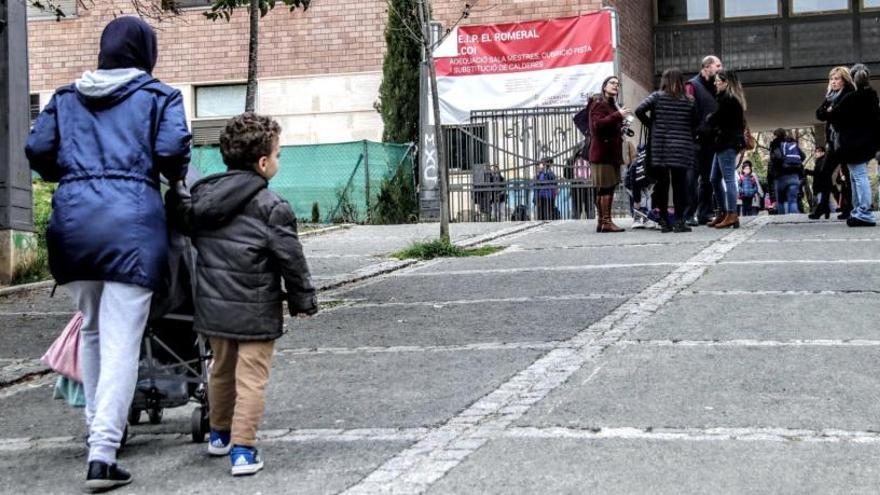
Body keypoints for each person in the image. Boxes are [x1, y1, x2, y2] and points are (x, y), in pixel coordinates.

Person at [24, 17, 191, 492]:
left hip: (74, 227)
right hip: (131, 225)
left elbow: (38, 149)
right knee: (121, 341)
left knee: (93, 332)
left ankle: (99, 435)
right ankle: (102, 452)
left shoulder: (65, 97)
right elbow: (173, 150)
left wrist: (74, 174)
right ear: (145, 52)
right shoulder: (159, 96)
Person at [173, 112, 319, 476]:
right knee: (251, 378)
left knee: (220, 371)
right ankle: (243, 450)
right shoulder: (272, 207)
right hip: (256, 311)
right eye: (279, 155)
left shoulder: (202, 197)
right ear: (263, 162)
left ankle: (220, 435)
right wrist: (303, 300)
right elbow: (291, 261)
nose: (279, 161)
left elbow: (184, 224)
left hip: (213, 309)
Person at [635, 68, 698, 233]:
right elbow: (695, 122)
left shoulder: (657, 97)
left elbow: (639, 110)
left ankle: (663, 221)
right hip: (682, 148)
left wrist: (651, 125)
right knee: (680, 186)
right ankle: (679, 221)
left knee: (662, 184)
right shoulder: (689, 100)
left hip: (660, 147)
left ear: (664, 80)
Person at [820, 63, 880, 227]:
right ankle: (858, 211)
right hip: (867, 144)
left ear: (852, 79)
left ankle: (864, 213)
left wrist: (831, 108)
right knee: (856, 177)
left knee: (859, 177)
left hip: (852, 144)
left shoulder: (850, 98)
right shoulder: (872, 95)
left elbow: (832, 117)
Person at [685, 55, 724, 225]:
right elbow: (687, 112)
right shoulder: (692, 85)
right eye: (718, 65)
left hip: (711, 141)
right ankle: (688, 214)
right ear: (707, 67)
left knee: (708, 179)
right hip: (695, 140)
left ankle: (705, 213)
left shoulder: (717, 87)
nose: (720, 69)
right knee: (691, 179)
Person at [706, 69, 747, 229]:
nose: (715, 83)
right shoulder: (728, 99)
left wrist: (709, 119)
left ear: (726, 82)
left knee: (728, 179)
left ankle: (732, 213)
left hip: (727, 144)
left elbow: (717, 119)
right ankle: (723, 212)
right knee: (714, 178)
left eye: (718, 80)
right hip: (723, 143)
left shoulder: (729, 100)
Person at [589, 75, 630, 232]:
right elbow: (596, 126)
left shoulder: (613, 105)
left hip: (610, 153)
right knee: (605, 187)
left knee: (607, 187)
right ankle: (606, 222)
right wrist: (617, 116)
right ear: (604, 86)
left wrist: (622, 124)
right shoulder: (598, 104)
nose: (615, 86)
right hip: (602, 153)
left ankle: (602, 221)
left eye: (618, 84)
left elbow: (610, 125)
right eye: (612, 83)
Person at [816, 66, 856, 221]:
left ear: (844, 81)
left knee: (846, 176)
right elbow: (819, 114)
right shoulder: (830, 96)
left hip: (846, 141)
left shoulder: (849, 94)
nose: (833, 81)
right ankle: (823, 206)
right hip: (833, 142)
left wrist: (831, 112)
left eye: (837, 78)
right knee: (824, 172)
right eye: (831, 79)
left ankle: (849, 208)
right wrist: (830, 110)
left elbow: (838, 116)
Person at [768, 130, 805, 215]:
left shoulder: (775, 144)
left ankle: (782, 222)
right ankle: (793, 221)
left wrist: (781, 164)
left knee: (780, 201)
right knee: (793, 201)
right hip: (794, 176)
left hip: (780, 177)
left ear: (776, 135)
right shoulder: (792, 144)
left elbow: (776, 158)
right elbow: (803, 156)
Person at [806, 145, 833, 219]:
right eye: (816, 151)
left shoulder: (823, 161)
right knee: (824, 200)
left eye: (819, 151)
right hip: (823, 183)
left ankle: (818, 213)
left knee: (823, 200)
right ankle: (826, 212)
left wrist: (809, 172)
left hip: (824, 183)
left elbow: (819, 173)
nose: (817, 153)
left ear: (823, 152)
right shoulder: (820, 161)